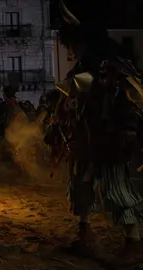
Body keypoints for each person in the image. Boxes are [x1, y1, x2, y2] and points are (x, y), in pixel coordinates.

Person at [46, 0, 143, 265]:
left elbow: (130, 98)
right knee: (80, 186)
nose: (69, 50)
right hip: (86, 139)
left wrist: (128, 127)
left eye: (72, 44)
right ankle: (85, 235)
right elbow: (73, 101)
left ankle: (133, 242)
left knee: (117, 188)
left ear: (83, 41)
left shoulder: (112, 66)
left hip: (108, 139)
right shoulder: (83, 67)